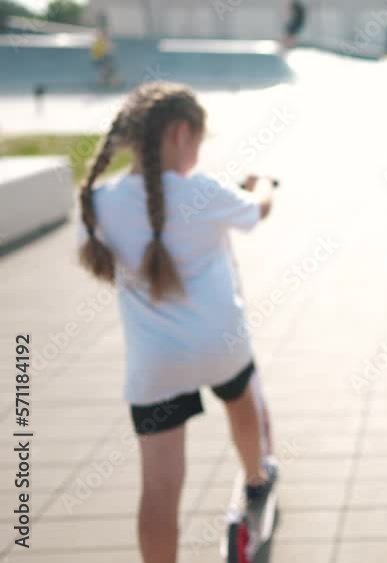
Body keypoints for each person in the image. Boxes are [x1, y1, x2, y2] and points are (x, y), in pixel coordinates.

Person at [75, 82, 278, 563]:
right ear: (182, 133)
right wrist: (262, 183)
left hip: (155, 366)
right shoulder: (203, 191)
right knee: (243, 409)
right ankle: (255, 481)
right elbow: (259, 210)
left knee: (160, 488)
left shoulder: (98, 202)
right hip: (218, 345)